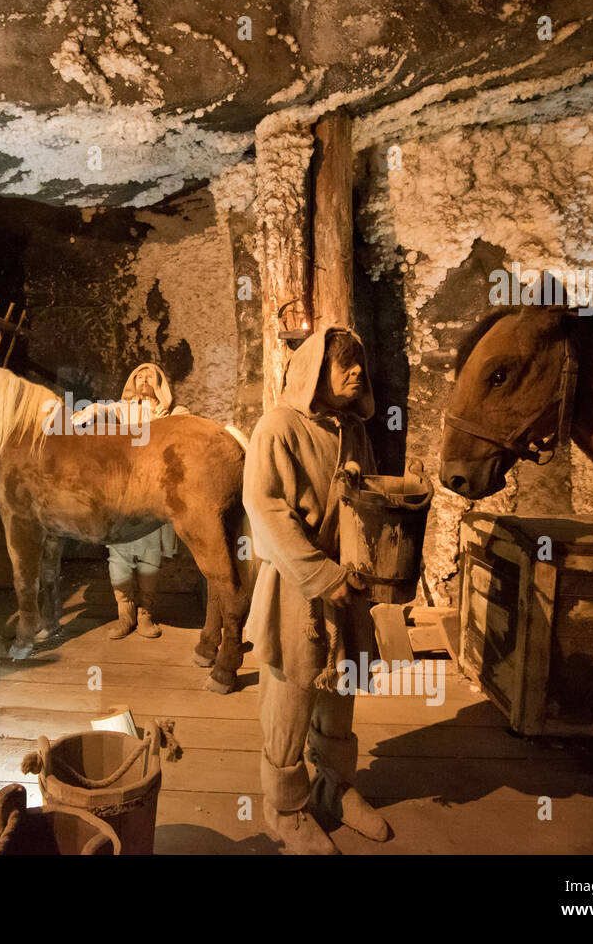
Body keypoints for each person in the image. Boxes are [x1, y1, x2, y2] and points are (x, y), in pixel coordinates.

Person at [242, 325, 392, 854]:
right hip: (296, 589)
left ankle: (334, 787)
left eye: (359, 364)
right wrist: (322, 575)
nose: (356, 372)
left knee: (341, 692)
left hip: (346, 587)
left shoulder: (355, 432)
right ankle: (285, 806)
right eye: (343, 364)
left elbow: (367, 504)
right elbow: (266, 512)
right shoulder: (278, 427)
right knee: (291, 697)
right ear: (312, 371)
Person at [75, 363, 189, 640]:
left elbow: (188, 426)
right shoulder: (124, 409)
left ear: (161, 382)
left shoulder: (173, 413)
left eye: (149, 374)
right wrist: (88, 411)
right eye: (138, 374)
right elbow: (104, 409)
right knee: (119, 554)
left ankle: (145, 614)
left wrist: (172, 419)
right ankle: (124, 615)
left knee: (150, 557)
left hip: (153, 492)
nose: (143, 377)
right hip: (125, 492)